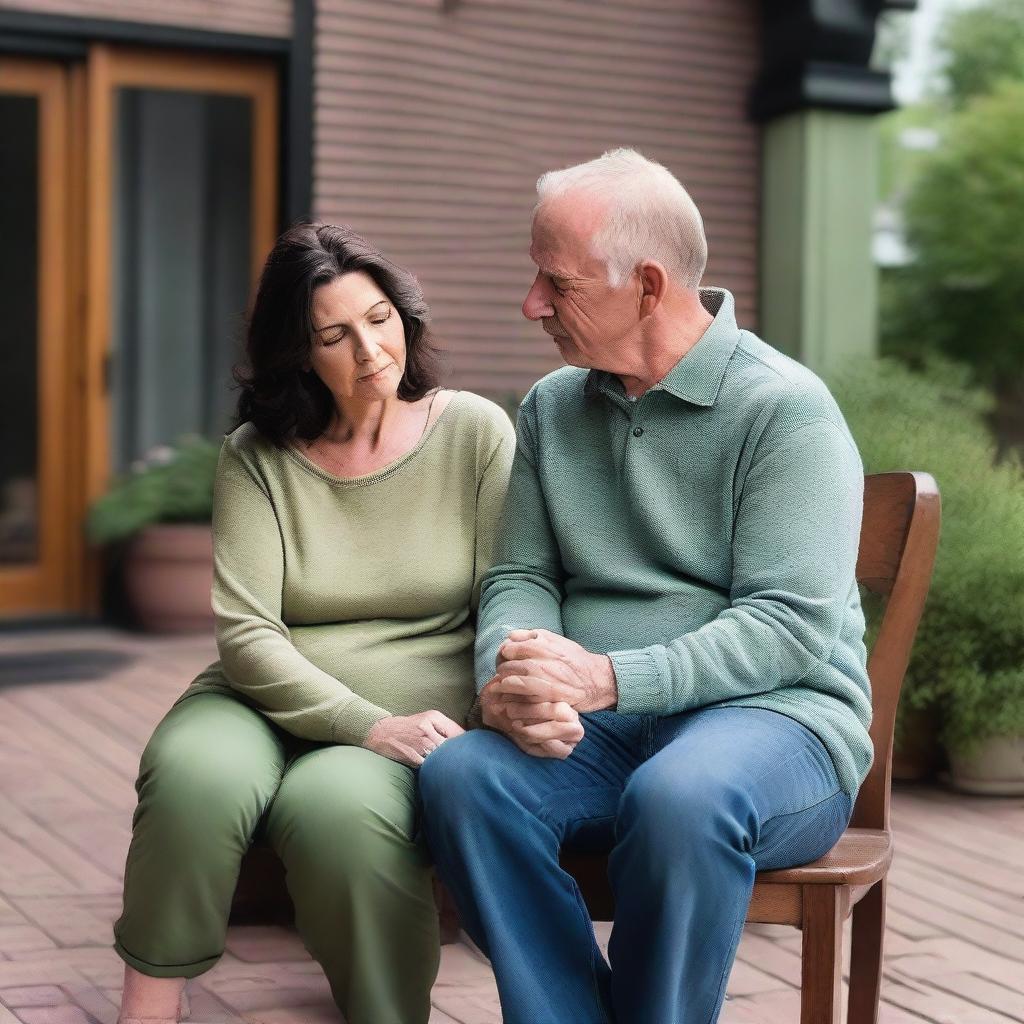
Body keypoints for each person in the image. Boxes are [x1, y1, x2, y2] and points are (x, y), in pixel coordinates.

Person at [418, 148, 873, 1024]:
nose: (531, 305)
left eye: (557, 282)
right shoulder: (554, 406)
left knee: (680, 796)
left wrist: (605, 678)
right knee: (464, 776)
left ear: (649, 286)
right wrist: (513, 675)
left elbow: (787, 626)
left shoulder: (786, 410)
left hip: (779, 723)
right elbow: (520, 572)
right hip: (603, 726)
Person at [112, 223, 515, 1024]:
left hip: (411, 708)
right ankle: (148, 1008)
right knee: (194, 775)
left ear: (405, 315)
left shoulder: (474, 432)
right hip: (263, 698)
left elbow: (507, 594)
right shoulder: (257, 456)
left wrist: (445, 720)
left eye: (379, 318)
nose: (369, 349)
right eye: (335, 334)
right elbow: (249, 635)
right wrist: (368, 725)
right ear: (299, 354)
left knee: (338, 814)